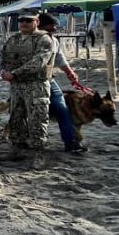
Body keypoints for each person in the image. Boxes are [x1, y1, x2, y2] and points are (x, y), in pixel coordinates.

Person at [0, 12, 57, 169]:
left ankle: (40, 154)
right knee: (15, 118)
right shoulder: (13, 39)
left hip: (36, 85)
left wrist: (14, 73)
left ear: (36, 22)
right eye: (21, 20)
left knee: (37, 120)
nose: (24, 23)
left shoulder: (44, 39)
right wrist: (3, 71)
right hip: (16, 86)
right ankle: (16, 149)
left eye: (28, 21)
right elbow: (1, 57)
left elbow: (38, 62)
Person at [37, 13, 88, 154]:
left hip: (48, 80)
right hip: (28, 83)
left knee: (62, 109)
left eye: (53, 30)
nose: (52, 32)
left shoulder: (53, 41)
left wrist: (70, 73)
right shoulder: (25, 41)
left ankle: (71, 142)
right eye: (49, 30)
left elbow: (59, 58)